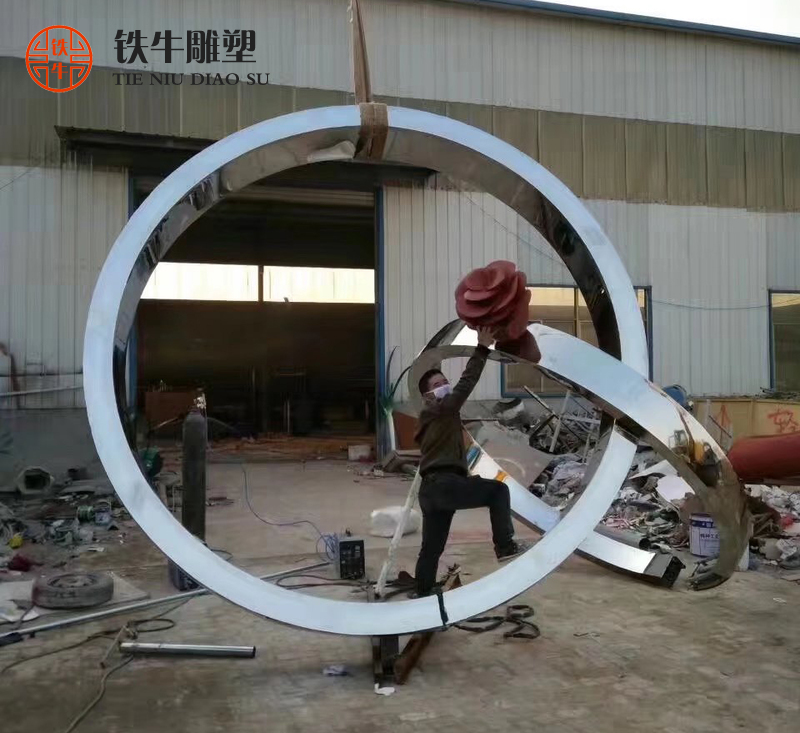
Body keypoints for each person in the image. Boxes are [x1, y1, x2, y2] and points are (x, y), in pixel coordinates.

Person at [413, 325, 531, 597]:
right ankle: (505, 546)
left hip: (431, 491)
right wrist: (482, 348)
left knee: (431, 548)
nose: (444, 386)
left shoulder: (433, 417)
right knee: (498, 491)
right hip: (444, 484)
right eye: (437, 385)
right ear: (427, 396)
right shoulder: (440, 409)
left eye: (444, 381)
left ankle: (424, 592)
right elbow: (466, 384)